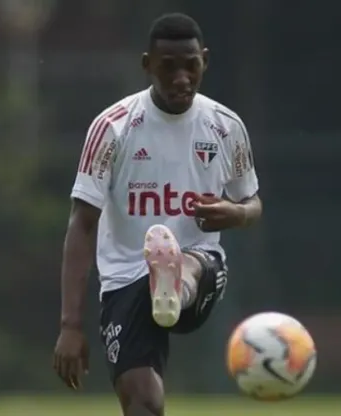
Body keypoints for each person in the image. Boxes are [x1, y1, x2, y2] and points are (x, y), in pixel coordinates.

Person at [52, 12, 262, 416]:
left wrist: (235, 215)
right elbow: (82, 224)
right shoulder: (113, 128)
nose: (182, 77)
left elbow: (253, 204)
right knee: (143, 404)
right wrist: (70, 326)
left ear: (205, 60)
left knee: (191, 264)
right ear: (147, 64)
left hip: (201, 267)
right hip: (124, 282)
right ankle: (164, 282)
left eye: (191, 65)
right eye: (169, 67)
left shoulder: (225, 127)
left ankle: (174, 280)